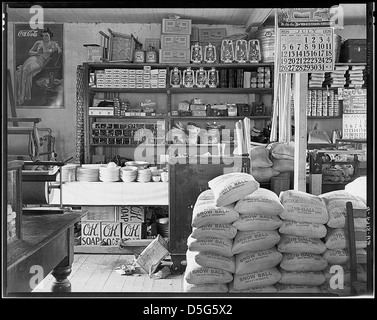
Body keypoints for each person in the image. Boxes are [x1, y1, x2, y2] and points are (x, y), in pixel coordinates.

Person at [16, 27, 62, 105]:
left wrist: (57, 48)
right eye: (43, 36)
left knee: (25, 72)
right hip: (33, 58)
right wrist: (37, 53)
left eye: (46, 35)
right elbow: (30, 52)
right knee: (23, 72)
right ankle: (22, 96)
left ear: (50, 35)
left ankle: (23, 96)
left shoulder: (53, 44)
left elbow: (60, 52)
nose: (45, 37)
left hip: (41, 62)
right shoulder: (38, 42)